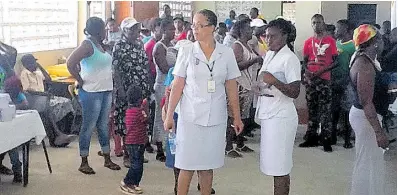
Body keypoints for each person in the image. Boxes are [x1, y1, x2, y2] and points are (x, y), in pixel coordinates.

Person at [164, 9, 244, 195]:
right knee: (186, 165)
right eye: (193, 25)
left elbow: (231, 87)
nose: (195, 29)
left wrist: (237, 117)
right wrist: (169, 115)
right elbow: (177, 85)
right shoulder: (187, 50)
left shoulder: (226, 53)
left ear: (212, 28)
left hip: (215, 117)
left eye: (200, 25)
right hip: (190, 117)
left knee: (208, 167)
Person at [67, 17, 120, 174]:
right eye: (104, 29)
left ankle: (106, 158)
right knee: (89, 126)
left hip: (105, 90)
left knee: (103, 125)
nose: (106, 31)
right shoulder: (87, 44)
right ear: (98, 30)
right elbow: (70, 63)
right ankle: (84, 161)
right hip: (91, 92)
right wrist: (80, 80)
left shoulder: (100, 45)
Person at [254, 18, 301, 195]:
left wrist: (274, 80)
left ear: (285, 36)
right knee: (272, 166)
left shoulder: (290, 59)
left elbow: (295, 91)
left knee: (280, 167)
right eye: (266, 36)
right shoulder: (271, 55)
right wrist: (258, 87)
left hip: (282, 118)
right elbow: (265, 80)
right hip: (270, 114)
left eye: (272, 36)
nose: (268, 40)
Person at [348, 24, 389, 195]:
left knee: (370, 161)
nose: (382, 41)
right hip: (366, 119)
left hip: (365, 116)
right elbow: (366, 102)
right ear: (375, 42)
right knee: (368, 163)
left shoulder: (365, 58)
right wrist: (379, 132)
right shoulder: (364, 65)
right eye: (379, 37)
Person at [112, 17, 151, 168]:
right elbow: (115, 69)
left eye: (136, 28)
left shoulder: (140, 43)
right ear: (124, 30)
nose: (135, 31)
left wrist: (147, 83)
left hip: (140, 87)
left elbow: (144, 64)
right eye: (132, 29)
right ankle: (127, 155)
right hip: (126, 89)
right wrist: (121, 89)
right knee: (126, 121)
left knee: (140, 120)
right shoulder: (119, 46)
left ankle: (137, 154)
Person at [299, 14, 338, 152]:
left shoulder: (330, 41)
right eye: (314, 23)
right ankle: (311, 137)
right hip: (311, 80)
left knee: (325, 110)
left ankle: (326, 139)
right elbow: (305, 60)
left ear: (324, 23)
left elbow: (336, 62)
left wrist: (321, 71)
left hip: (324, 79)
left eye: (319, 22)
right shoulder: (308, 42)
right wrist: (307, 72)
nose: (316, 25)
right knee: (312, 109)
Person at [20, 54, 76, 147]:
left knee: (66, 102)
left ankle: (63, 133)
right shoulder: (24, 74)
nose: (35, 64)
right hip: (34, 99)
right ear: (27, 64)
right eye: (33, 63)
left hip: (44, 98)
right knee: (47, 109)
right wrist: (44, 94)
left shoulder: (37, 72)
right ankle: (58, 135)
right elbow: (27, 90)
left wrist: (40, 67)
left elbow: (49, 79)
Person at [226, 18, 262, 158]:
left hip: (248, 85)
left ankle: (240, 143)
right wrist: (254, 60)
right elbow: (236, 66)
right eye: (248, 29)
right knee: (233, 117)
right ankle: (228, 146)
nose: (251, 31)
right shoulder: (237, 45)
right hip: (239, 85)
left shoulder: (248, 45)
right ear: (240, 31)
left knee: (243, 117)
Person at [152, 19, 175, 162]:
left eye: (174, 29)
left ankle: (169, 145)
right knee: (161, 116)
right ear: (163, 30)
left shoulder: (173, 46)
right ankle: (159, 148)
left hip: (173, 85)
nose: (173, 32)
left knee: (171, 116)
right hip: (162, 85)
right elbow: (164, 68)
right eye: (170, 29)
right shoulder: (159, 47)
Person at [331, 19, 356, 148]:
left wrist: (348, 79)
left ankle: (347, 139)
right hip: (335, 81)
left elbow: (354, 66)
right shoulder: (336, 44)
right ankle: (333, 136)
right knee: (334, 110)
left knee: (347, 111)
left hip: (348, 82)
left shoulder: (353, 46)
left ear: (346, 30)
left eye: (338, 28)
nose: (335, 30)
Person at [119, 85, 148, 195]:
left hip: (132, 142)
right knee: (136, 165)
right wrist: (145, 107)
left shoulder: (129, 111)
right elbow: (146, 119)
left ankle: (134, 183)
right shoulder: (139, 112)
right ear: (140, 99)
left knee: (138, 164)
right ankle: (127, 181)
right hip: (136, 143)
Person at [2, 76, 26, 183]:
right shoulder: (4, 96)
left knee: (11, 144)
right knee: (8, 145)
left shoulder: (19, 95)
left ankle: (17, 171)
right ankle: (17, 170)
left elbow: (25, 104)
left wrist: (12, 107)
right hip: (5, 127)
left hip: (14, 128)